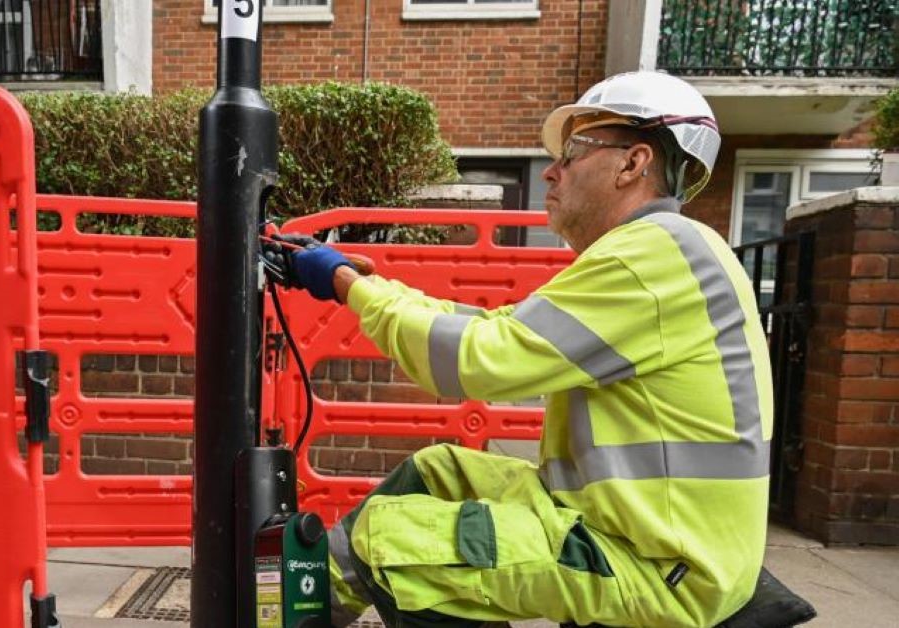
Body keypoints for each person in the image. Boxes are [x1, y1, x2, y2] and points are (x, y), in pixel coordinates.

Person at [265, 71, 771, 628]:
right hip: (635, 530)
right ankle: (304, 612)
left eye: (574, 150)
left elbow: (476, 359)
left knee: (389, 542)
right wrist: (365, 284)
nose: (553, 170)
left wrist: (343, 284)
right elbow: (497, 326)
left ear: (633, 164)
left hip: (659, 567)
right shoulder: (660, 252)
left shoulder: (653, 256)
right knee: (438, 471)